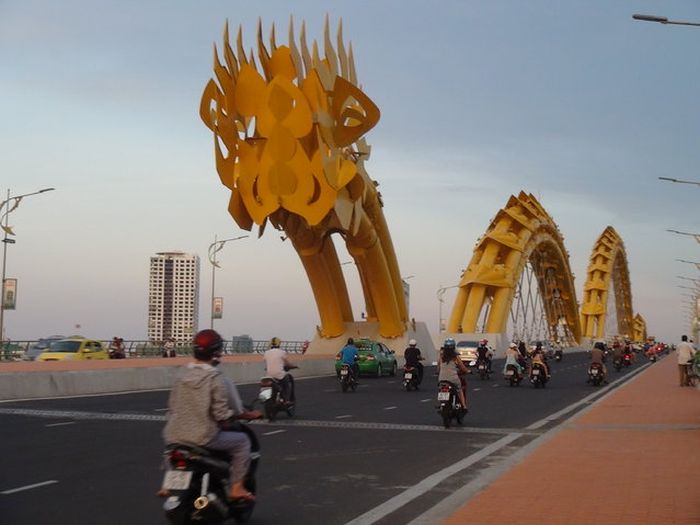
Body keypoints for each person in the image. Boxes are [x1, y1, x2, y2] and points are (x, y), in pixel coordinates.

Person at [163, 329, 261, 502]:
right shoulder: (214, 377)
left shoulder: (181, 374)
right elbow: (221, 414)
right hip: (203, 437)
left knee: (173, 450)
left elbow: (171, 407)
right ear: (216, 352)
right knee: (242, 442)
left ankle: (167, 485)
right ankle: (237, 487)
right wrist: (234, 416)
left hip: (174, 435)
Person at [263, 336, 297, 404]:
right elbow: (287, 364)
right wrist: (294, 366)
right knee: (287, 383)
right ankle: (287, 400)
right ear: (279, 344)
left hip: (269, 375)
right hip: (279, 374)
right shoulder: (282, 352)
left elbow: (267, 362)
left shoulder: (266, 353)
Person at [438, 338, 468, 411]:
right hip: (453, 379)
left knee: (441, 389)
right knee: (459, 389)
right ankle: (464, 406)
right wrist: (467, 371)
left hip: (441, 379)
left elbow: (438, 368)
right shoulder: (455, 357)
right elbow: (462, 368)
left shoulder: (441, 356)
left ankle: (442, 404)